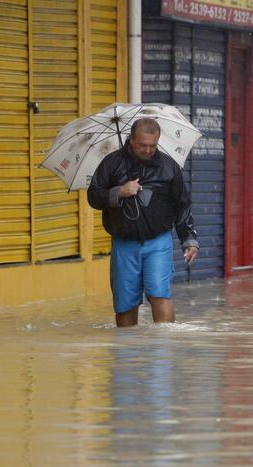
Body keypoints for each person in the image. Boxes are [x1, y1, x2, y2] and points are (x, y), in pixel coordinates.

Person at [87, 118, 199, 327]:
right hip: (124, 242)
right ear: (131, 140)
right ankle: (128, 355)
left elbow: (182, 204)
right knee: (125, 304)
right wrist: (119, 191)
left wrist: (189, 239)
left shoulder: (168, 166)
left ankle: (163, 351)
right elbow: (93, 196)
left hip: (158, 241)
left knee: (160, 293)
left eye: (153, 146)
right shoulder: (111, 163)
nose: (148, 150)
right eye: (142, 145)